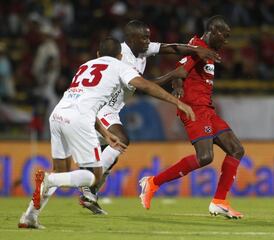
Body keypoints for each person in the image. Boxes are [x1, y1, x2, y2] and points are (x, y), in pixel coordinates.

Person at [18, 37, 195, 229]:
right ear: (120, 55)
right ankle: (48, 179)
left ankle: (29, 216)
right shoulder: (120, 66)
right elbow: (145, 85)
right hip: (79, 119)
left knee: (62, 172)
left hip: (58, 115)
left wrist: (104, 132)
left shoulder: (85, 66)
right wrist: (177, 102)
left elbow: (84, 99)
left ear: (97, 54)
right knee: (92, 177)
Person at [79, 19, 220, 214]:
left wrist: (195, 50)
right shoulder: (123, 57)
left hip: (111, 109)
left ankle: (90, 194)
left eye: (148, 37)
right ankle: (87, 185)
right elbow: (144, 85)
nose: (148, 41)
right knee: (120, 141)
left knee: (111, 154)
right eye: (144, 37)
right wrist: (173, 75)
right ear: (131, 39)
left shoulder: (141, 48)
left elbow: (170, 48)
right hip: (100, 107)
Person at [139, 15, 245, 219]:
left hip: (208, 109)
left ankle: (219, 201)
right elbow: (180, 71)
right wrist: (154, 83)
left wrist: (178, 84)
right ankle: (152, 183)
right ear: (213, 31)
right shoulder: (197, 46)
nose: (226, 41)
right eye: (225, 35)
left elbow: (183, 73)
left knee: (236, 149)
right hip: (194, 109)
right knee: (205, 157)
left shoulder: (204, 49)